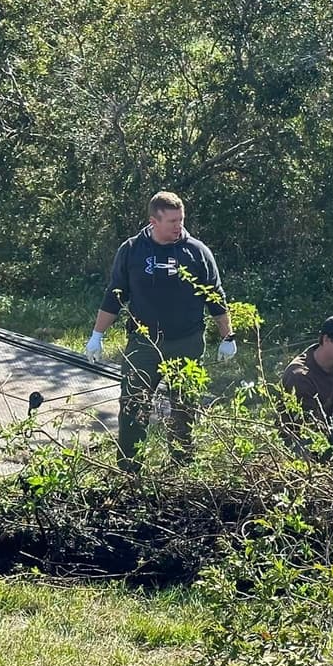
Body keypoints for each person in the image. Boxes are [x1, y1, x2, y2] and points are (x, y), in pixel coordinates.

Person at [85, 191, 234, 473]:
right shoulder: (132, 251)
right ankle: (129, 469)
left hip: (187, 342)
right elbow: (115, 295)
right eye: (172, 221)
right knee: (133, 406)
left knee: (185, 408)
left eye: (181, 219)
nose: (179, 226)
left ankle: (180, 467)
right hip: (144, 344)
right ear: (154, 221)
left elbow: (215, 296)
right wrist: (97, 335)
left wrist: (228, 336)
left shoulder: (196, 252)